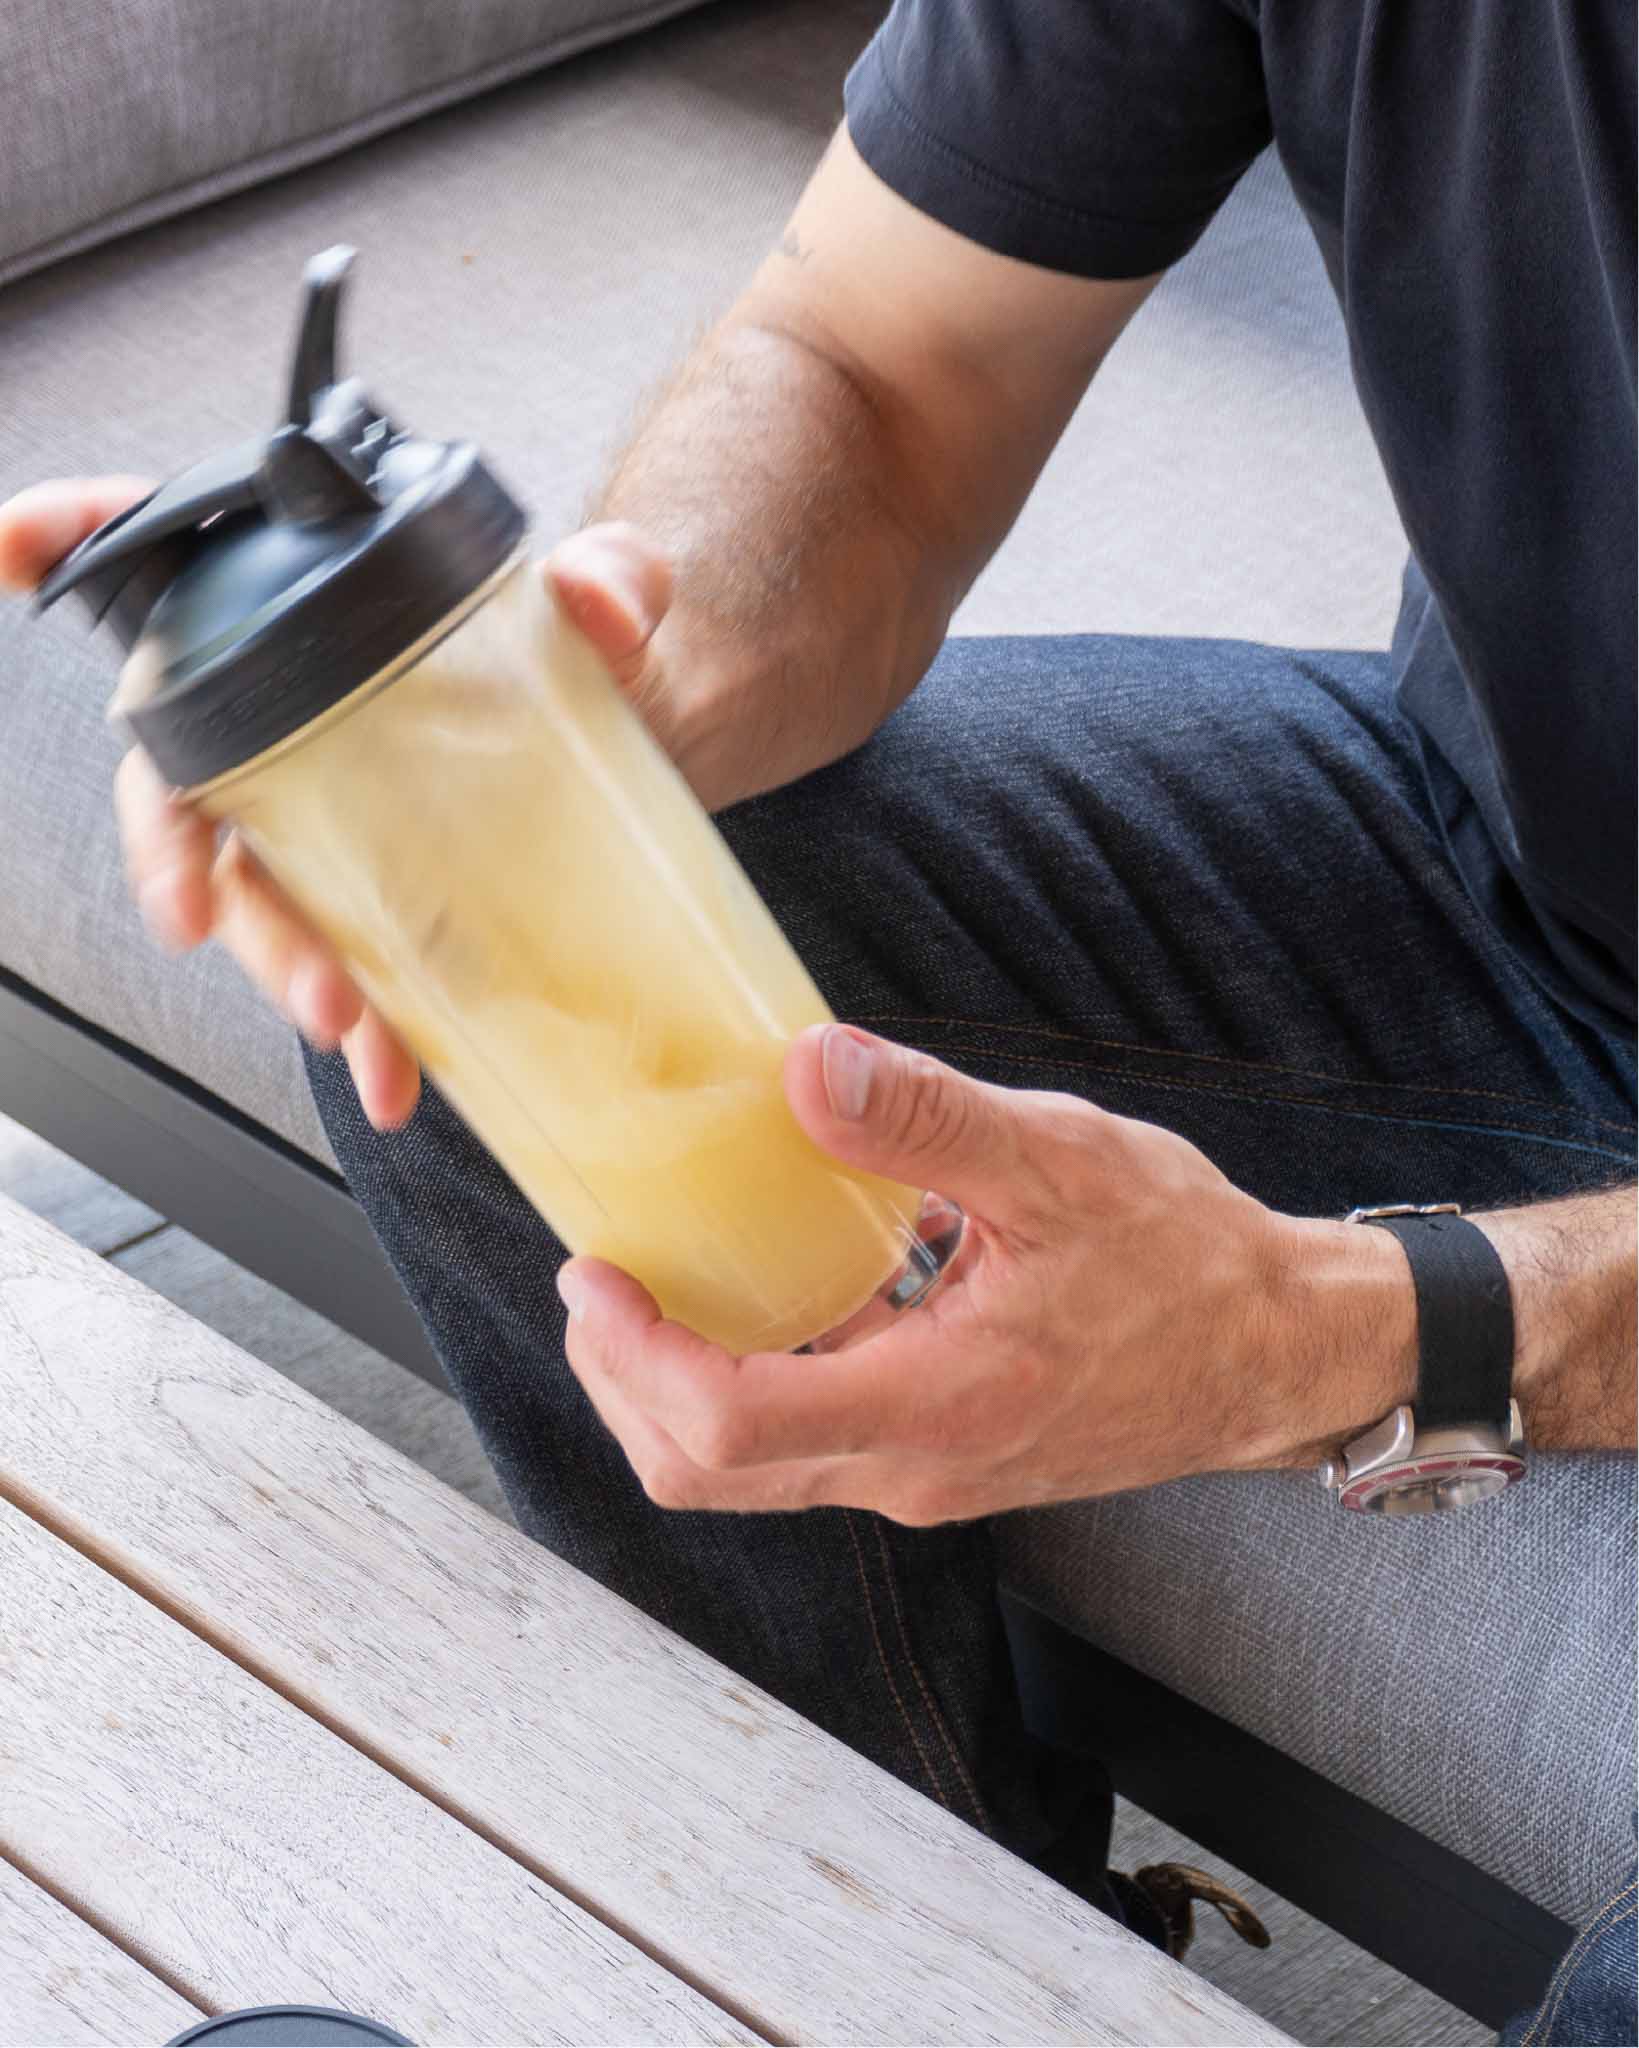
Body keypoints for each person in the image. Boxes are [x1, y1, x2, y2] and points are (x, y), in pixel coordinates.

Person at [3, 0, 1634, 2032]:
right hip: (1513, 868)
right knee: (490, 1003)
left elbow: (1344, 1337)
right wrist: (535, 745)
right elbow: (878, 368)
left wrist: (1351, 1330)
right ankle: (911, 1986)